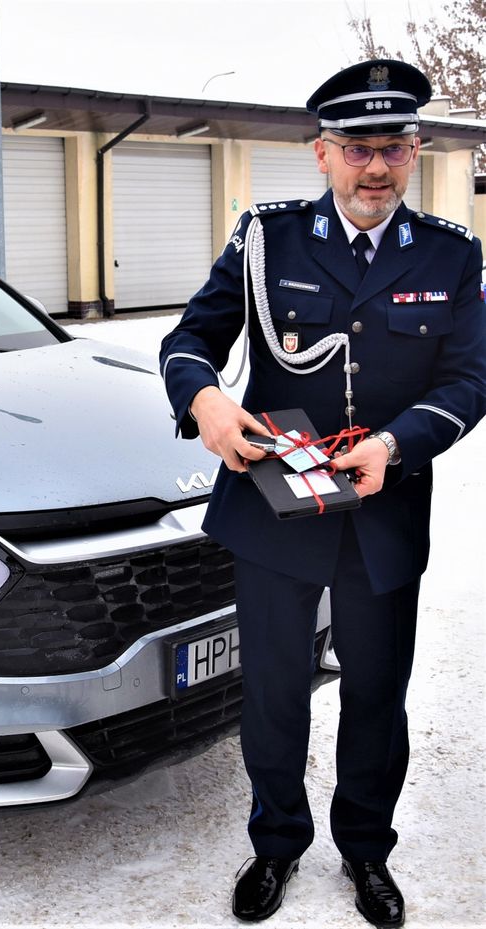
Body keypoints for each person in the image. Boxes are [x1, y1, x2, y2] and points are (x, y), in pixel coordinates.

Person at [159, 59, 486, 927]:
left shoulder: (452, 254)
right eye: (356, 149)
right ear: (321, 154)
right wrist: (208, 401)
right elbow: (192, 336)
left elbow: (469, 379)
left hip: (383, 509)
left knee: (376, 691)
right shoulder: (268, 240)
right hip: (275, 504)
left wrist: (394, 441)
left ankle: (366, 848)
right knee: (272, 687)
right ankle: (276, 844)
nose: (374, 167)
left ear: (414, 152)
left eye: (393, 149)